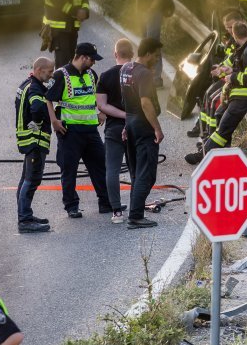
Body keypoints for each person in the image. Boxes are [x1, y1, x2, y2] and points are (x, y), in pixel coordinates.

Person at [184, 18, 247, 164]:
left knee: (223, 128)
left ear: (235, 36)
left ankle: (202, 156)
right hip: (242, 93)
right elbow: (245, 69)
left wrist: (231, 77)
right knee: (219, 114)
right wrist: (230, 70)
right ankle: (221, 153)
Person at [45, 42, 111, 218]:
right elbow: (48, 99)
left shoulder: (91, 74)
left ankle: (106, 202)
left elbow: (99, 96)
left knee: (100, 165)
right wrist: (54, 121)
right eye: (92, 59)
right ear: (82, 57)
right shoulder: (61, 75)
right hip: (70, 132)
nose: (94, 63)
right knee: (69, 169)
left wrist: (102, 112)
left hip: (90, 131)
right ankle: (71, 206)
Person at [120, 37, 164, 229]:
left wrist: (126, 124)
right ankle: (136, 216)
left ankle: (134, 211)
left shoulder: (125, 69)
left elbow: (125, 99)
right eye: (156, 55)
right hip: (143, 125)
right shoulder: (145, 74)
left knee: (137, 172)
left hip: (130, 122)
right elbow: (145, 103)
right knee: (146, 174)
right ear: (147, 54)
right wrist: (157, 128)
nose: (157, 59)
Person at [15, 57, 55, 233]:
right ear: (39, 70)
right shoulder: (35, 88)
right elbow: (37, 107)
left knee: (25, 179)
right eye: (49, 71)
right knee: (31, 180)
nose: (51, 74)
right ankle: (25, 221)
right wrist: (38, 122)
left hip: (27, 139)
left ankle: (26, 215)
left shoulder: (26, 83)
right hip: (35, 140)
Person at [96, 39, 134, 224]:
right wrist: (130, 116)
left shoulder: (106, 76)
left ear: (115, 54)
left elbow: (101, 105)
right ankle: (136, 209)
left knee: (112, 169)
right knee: (136, 168)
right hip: (136, 127)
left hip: (114, 128)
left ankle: (117, 211)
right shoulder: (139, 74)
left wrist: (121, 115)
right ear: (132, 54)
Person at [42, 0, 90, 68]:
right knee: (63, 65)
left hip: (72, 29)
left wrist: (85, 11)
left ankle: (69, 82)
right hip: (57, 30)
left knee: (71, 61)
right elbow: (57, 1)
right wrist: (76, 12)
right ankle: (62, 82)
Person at [137, 0, 171, 89]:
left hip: (154, 11)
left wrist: (152, 7)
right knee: (144, 42)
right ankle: (145, 75)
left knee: (152, 43)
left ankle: (156, 78)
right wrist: (137, 8)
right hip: (143, 11)